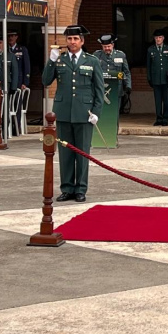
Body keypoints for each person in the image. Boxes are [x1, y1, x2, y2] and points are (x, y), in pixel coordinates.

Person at [43, 25, 104, 203]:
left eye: (76, 39)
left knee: (82, 153)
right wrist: (51, 61)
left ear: (82, 41)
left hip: (84, 113)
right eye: (69, 39)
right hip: (63, 113)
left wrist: (96, 112)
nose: (72, 42)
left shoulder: (92, 61)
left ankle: (81, 189)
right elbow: (46, 81)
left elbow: (99, 90)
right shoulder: (59, 59)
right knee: (65, 154)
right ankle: (67, 188)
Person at [146, 28, 168, 126]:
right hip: (156, 79)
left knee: (167, 100)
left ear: (163, 38)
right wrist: (149, 78)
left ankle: (166, 118)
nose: (158, 39)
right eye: (156, 38)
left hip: (166, 79)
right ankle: (159, 118)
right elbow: (149, 65)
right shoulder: (150, 50)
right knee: (158, 100)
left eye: (160, 37)